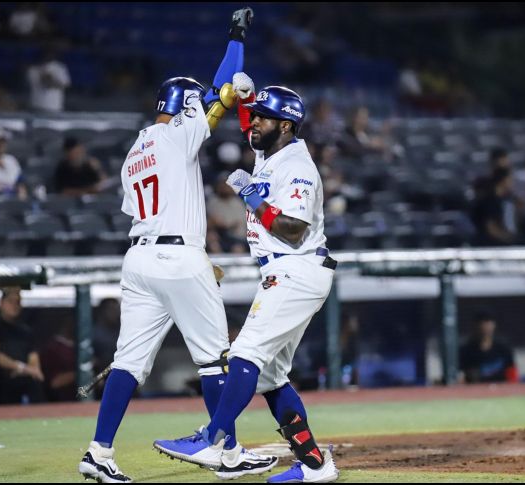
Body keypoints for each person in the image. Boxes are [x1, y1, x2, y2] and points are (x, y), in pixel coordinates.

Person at [78, 9, 277, 484]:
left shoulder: (134, 152)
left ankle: (99, 451)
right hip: (178, 257)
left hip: (139, 257)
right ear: (183, 105)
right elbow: (222, 87)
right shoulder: (175, 135)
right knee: (213, 360)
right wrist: (236, 37)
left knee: (128, 362)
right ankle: (226, 452)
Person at [153, 77, 340, 483]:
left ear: (286, 125)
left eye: (262, 118)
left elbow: (293, 229)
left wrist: (252, 197)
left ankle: (213, 439)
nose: (253, 123)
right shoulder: (272, 151)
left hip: (296, 267)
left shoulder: (297, 166)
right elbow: (248, 119)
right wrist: (243, 90)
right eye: (253, 117)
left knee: (245, 354)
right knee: (271, 377)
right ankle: (315, 465)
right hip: (283, 270)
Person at [0, 288, 45, 405]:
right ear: (1, 303)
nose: (15, 306)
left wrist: (34, 370)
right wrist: (20, 367)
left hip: (23, 376)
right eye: (10, 302)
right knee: (3, 383)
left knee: (36, 382)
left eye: (18, 302)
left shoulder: (25, 331)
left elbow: (33, 357)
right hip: (0, 379)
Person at [459, 312, 518, 384]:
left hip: (503, 388)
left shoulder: (504, 350)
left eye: (487, 324)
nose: (485, 329)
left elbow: (513, 377)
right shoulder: (465, 352)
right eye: (481, 325)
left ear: (494, 325)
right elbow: (460, 378)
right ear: (474, 327)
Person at [471, 168, 518, 246]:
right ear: (503, 180)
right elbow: (491, 227)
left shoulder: (506, 200)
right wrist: (508, 239)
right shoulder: (490, 201)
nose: (512, 182)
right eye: (510, 179)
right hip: (491, 246)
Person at [206, 173, 248, 254]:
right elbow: (212, 222)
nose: (224, 187)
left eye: (227, 185)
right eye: (222, 184)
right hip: (220, 237)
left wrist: (225, 224)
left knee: (237, 249)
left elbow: (238, 224)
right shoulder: (212, 202)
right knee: (213, 244)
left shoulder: (238, 202)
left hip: (238, 238)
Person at [39, 316, 76, 402]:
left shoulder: (82, 346)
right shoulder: (53, 348)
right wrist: (81, 375)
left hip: (85, 400)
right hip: (59, 401)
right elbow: (55, 383)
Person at [27, 48, 71, 113]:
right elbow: (46, 84)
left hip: (54, 107)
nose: (48, 56)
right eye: (46, 54)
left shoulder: (60, 67)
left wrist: (51, 79)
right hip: (37, 106)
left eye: (50, 54)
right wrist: (47, 78)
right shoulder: (33, 69)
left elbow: (66, 85)